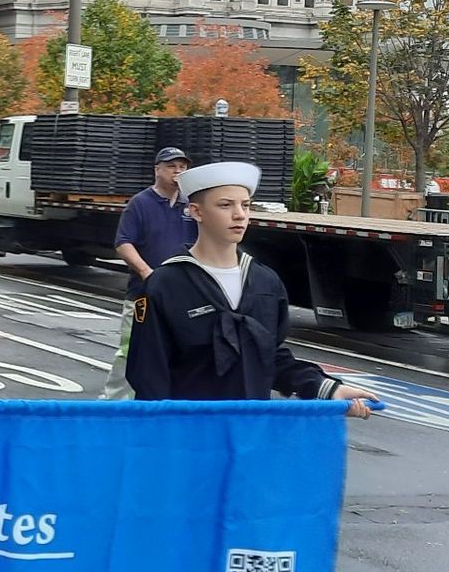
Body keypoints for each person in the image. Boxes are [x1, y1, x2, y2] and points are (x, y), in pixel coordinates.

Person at [126, 161, 379, 417]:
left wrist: (327, 389)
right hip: (189, 439)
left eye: (245, 205)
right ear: (196, 212)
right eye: (225, 205)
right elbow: (147, 374)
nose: (239, 214)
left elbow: (270, 357)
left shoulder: (265, 283)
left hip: (249, 437)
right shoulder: (165, 284)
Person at [98, 147, 197, 401]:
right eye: (171, 166)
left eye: (182, 167)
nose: (178, 172)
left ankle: (161, 407)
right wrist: (146, 272)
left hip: (180, 297)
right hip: (144, 295)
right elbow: (123, 243)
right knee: (130, 351)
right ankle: (113, 405)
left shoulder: (191, 207)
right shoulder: (140, 203)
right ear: (157, 170)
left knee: (178, 353)